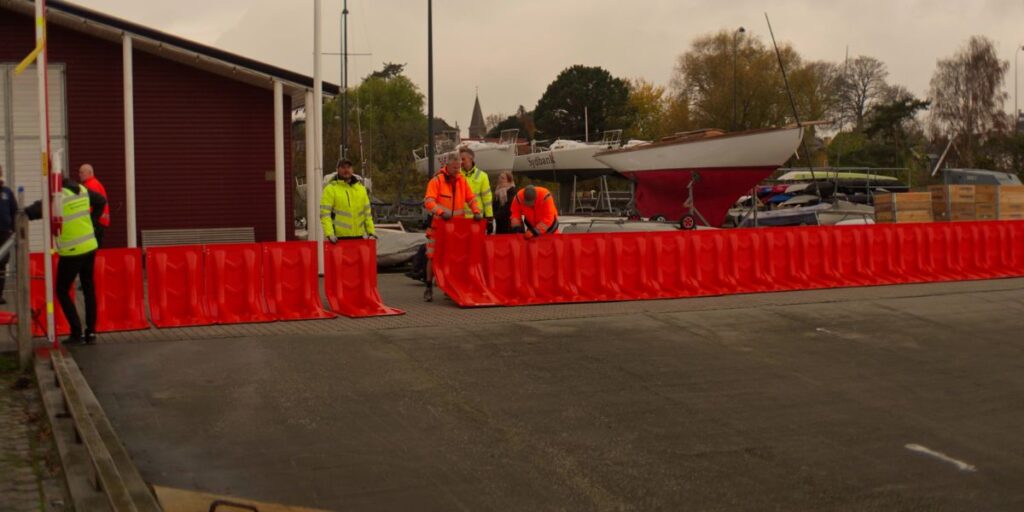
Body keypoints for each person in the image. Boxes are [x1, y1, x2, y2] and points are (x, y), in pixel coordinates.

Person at [25, 176, 107, 345]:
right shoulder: (82, 189)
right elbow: (101, 200)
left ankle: (76, 332)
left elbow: (34, 211)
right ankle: (91, 333)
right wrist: (92, 221)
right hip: (90, 245)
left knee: (62, 290)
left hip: (72, 251)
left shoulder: (59, 197)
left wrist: (19, 211)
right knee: (88, 288)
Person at [422, 157, 481, 301]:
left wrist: (476, 211)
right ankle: (428, 287)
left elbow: (471, 198)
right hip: (438, 226)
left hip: (456, 228)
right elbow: (428, 201)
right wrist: (441, 212)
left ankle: (449, 287)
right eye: (455, 168)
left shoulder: (462, 181)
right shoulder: (437, 181)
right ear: (447, 166)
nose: (457, 171)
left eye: (459, 168)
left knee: (453, 258)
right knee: (432, 257)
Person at [320, 159, 376, 242]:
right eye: (343, 167)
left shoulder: (361, 189)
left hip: (359, 237)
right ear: (337, 170)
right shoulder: (330, 189)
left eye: (348, 167)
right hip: (338, 239)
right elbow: (325, 214)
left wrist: (371, 232)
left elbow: (367, 214)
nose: (346, 170)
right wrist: (329, 233)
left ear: (352, 169)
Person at [458, 147, 494, 233]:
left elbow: (487, 199)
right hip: (459, 218)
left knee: (475, 244)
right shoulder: (456, 174)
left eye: (463, 159)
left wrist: (489, 219)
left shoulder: (483, 176)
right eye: (460, 159)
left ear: (471, 159)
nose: (461, 162)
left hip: (476, 218)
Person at [78, 164, 109, 247]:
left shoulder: (90, 185)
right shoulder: (95, 183)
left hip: (96, 223)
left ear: (90, 172)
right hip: (100, 221)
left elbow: (90, 205)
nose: (79, 175)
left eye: (82, 172)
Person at [0, 165, 17, 305]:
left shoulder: (7, 192)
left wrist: (14, 229)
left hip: (4, 234)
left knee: (2, 265)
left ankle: (0, 294)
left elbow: (14, 211)